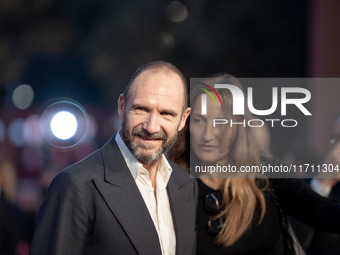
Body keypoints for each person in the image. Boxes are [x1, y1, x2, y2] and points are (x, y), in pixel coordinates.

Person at [30, 61, 197, 255]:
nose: (151, 127)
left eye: (166, 114)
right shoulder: (75, 185)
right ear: (122, 106)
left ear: (183, 119)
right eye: (141, 109)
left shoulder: (185, 184)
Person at [168, 74, 340, 255]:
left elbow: (321, 212)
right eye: (199, 120)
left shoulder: (268, 174)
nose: (207, 135)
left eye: (220, 122)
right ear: (187, 123)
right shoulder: (173, 185)